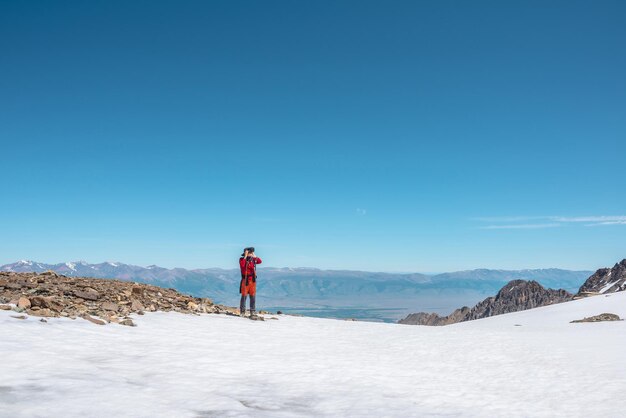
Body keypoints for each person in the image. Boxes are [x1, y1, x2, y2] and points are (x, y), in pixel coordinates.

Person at [239, 247, 262, 317]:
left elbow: (260, 261)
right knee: (244, 296)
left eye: (251, 252)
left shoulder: (253, 259)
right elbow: (242, 265)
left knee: (252, 296)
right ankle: (242, 311)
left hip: (252, 280)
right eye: (250, 252)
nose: (251, 254)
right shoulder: (242, 259)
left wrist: (254, 255)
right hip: (245, 280)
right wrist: (245, 256)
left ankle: (252, 311)